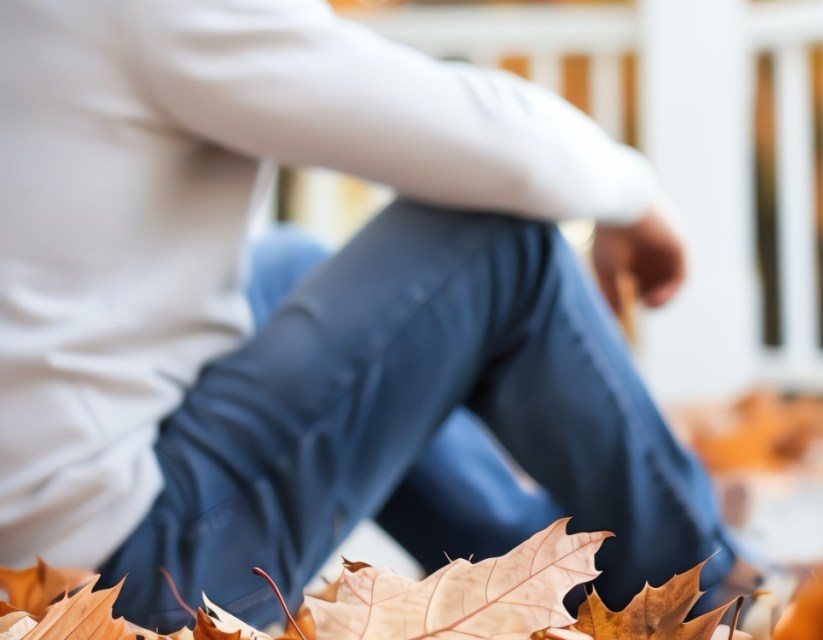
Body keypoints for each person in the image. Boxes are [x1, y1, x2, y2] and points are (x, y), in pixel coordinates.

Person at [0, 0, 745, 630]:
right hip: (120, 587)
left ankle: (526, 564)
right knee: (493, 243)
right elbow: (493, 144)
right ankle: (707, 592)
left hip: (33, 541)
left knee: (286, 269)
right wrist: (635, 197)